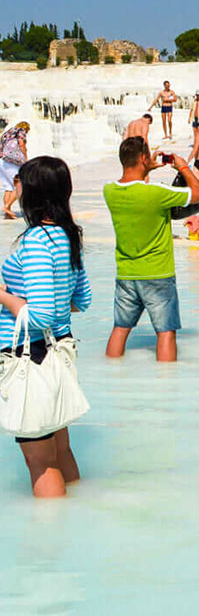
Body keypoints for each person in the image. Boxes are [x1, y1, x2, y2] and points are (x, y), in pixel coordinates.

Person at [0, 156, 91, 497]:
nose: (14, 188)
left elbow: (40, 317)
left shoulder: (37, 240)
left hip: (30, 355)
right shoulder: (66, 235)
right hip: (55, 354)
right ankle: (74, 528)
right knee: (59, 450)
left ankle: (49, 545)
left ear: (33, 192)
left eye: (19, 183)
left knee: (40, 460)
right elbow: (82, 298)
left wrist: (2, 296)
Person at [103, 136, 199, 362]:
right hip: (158, 274)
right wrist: (182, 166)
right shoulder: (157, 194)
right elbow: (198, 194)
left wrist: (146, 168)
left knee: (120, 328)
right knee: (165, 333)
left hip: (127, 273)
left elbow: (134, 185)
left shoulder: (109, 192)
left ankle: (111, 372)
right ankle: (167, 386)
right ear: (142, 158)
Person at [1, 122, 30, 220]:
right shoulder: (21, 131)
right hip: (13, 161)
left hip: (2, 162)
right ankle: (6, 206)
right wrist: (26, 158)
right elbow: (21, 144)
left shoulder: (7, 133)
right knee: (20, 184)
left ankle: (7, 213)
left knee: (8, 187)